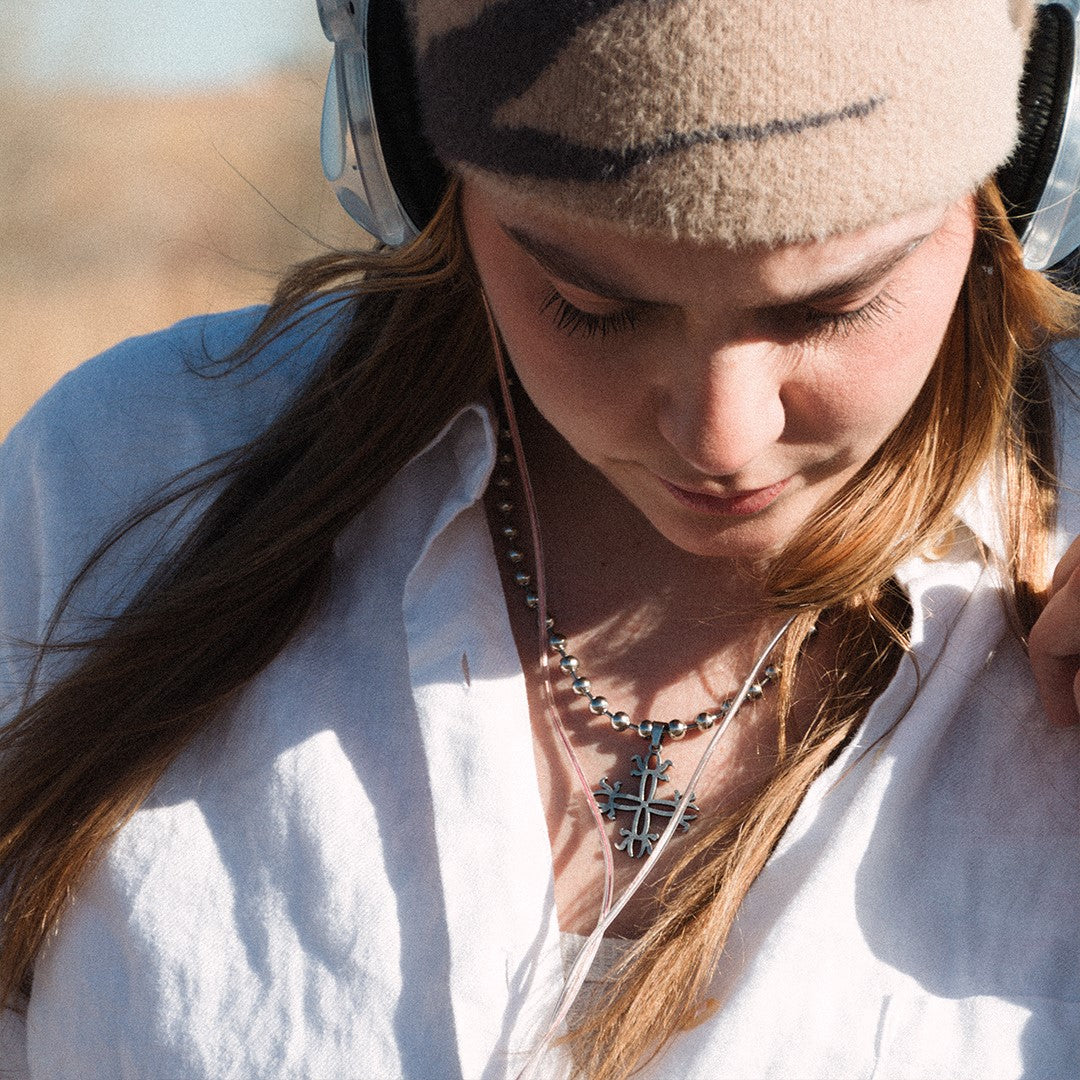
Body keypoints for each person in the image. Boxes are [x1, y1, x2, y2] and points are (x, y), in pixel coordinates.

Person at [2, 1, 1079, 1077]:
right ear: (418, 167)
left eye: (835, 306)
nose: (722, 435)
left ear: (1021, 171)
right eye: (590, 303)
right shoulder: (121, 478)